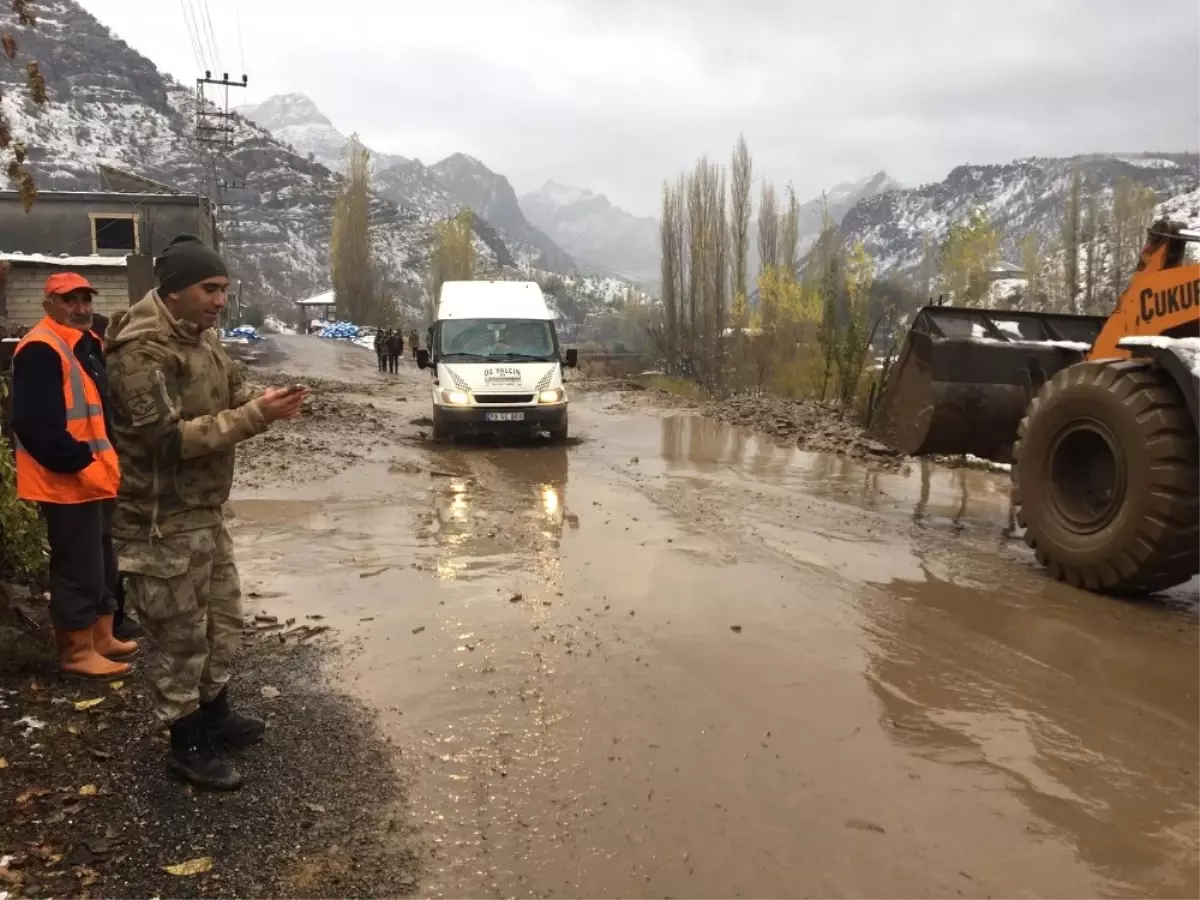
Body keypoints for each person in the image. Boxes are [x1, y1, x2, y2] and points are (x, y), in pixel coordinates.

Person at [105, 234, 310, 791]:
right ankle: (185, 742)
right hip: (159, 520)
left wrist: (267, 401)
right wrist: (255, 419)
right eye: (210, 288)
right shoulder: (141, 352)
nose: (220, 300)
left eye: (224, 289)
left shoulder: (202, 338)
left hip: (203, 512)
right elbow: (166, 442)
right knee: (179, 635)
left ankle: (215, 714)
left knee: (222, 622)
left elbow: (233, 392)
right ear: (173, 291)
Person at [10, 274, 136, 680]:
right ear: (48, 303)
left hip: (94, 477)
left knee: (101, 560)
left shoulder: (84, 344)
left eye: (85, 299)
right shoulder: (41, 349)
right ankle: (77, 652)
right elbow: (33, 424)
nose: (81, 308)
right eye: (70, 301)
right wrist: (78, 463)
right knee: (77, 567)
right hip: (67, 481)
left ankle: (101, 637)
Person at [91, 310, 142, 643]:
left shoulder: (97, 355)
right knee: (105, 551)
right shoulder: (97, 356)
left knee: (110, 550)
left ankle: (114, 620)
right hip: (97, 471)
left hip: (106, 468)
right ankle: (109, 623)